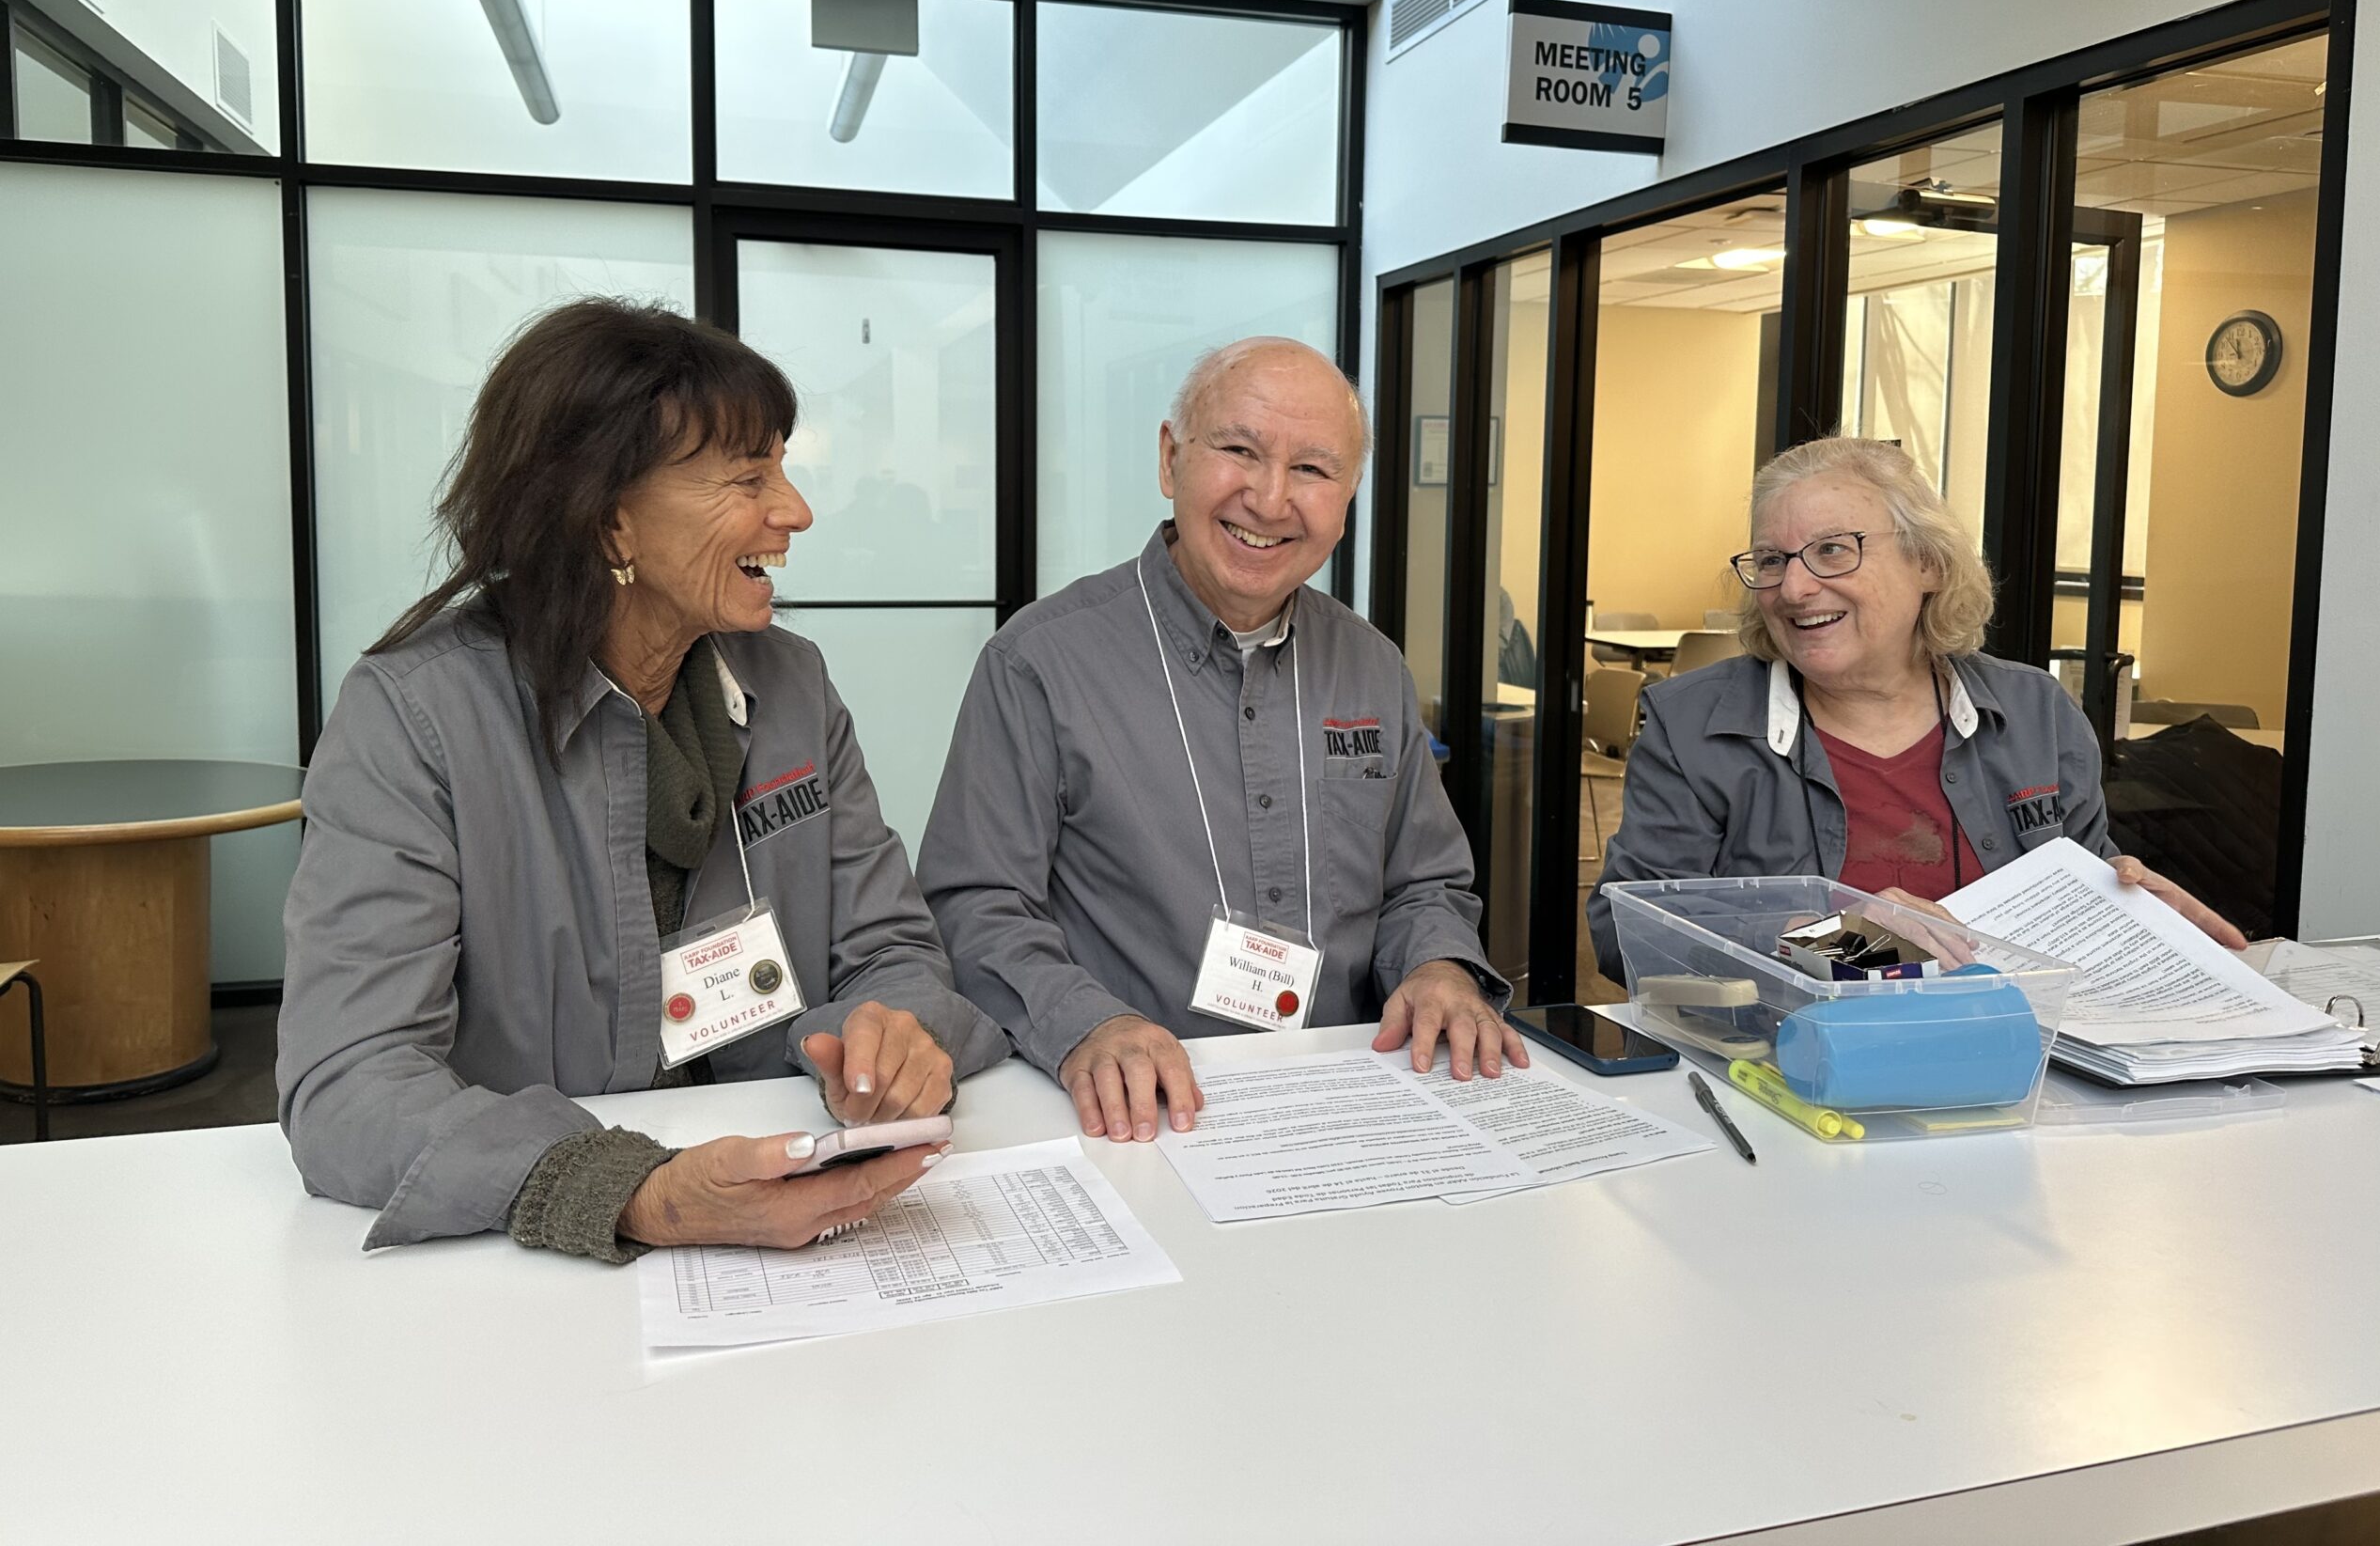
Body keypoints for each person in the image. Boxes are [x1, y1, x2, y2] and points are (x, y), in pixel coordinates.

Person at [279, 298, 1005, 1258]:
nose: (795, 512)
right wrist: (631, 1193)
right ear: (608, 518)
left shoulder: (789, 684)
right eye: (750, 477)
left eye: (782, 469)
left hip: (791, 1199)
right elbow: (349, 1081)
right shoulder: (417, 716)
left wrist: (890, 1033)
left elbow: (892, 949)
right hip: (529, 1255)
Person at [920, 338, 1526, 1144]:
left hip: (1349, 1101)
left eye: (1314, 470)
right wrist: (1086, 1025)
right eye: (1240, 450)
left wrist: (1440, 967)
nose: (1271, 500)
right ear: (1171, 460)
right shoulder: (1040, 662)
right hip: (1138, 1116)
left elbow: (1423, 883)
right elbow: (976, 901)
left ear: (1348, 497)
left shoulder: (1371, 666)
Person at [1587, 435, 2246, 981]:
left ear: (1927, 563)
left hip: (2015, 1059)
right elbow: (1625, 934)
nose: (1794, 587)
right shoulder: (1694, 724)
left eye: (1832, 550)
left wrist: (2134, 915)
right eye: (1771, 560)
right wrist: (1835, 939)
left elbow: (2078, 880)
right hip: (1780, 1072)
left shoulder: (2034, 709)